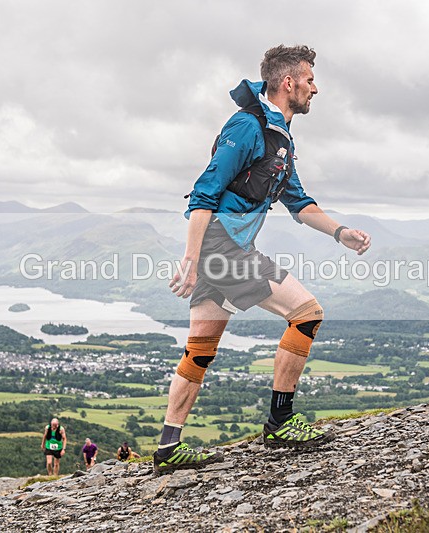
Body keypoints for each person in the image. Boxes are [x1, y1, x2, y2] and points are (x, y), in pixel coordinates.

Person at [153, 44, 371, 474]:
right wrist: (193, 258)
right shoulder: (247, 126)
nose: (315, 88)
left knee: (200, 350)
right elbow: (204, 193)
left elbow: (298, 202)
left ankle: (167, 447)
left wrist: (341, 232)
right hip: (222, 248)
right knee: (306, 313)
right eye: (310, 80)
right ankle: (280, 422)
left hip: (224, 250)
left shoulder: (281, 137)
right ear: (288, 83)